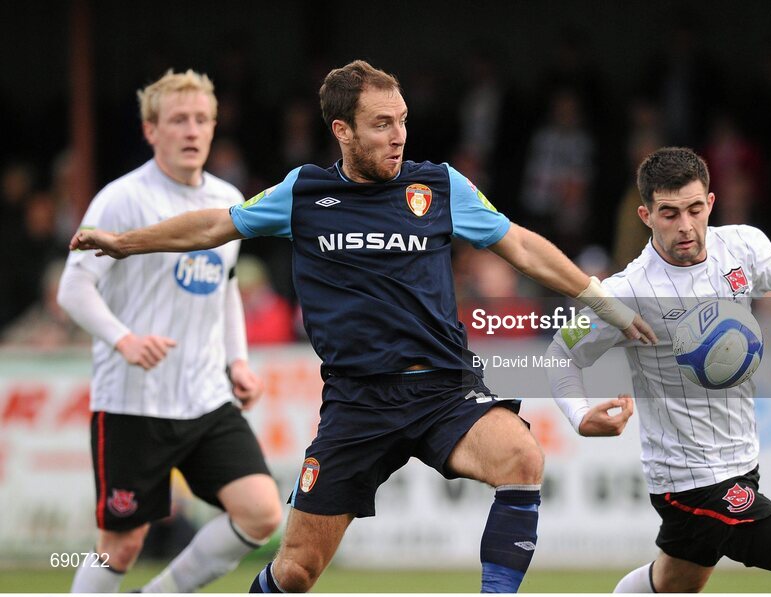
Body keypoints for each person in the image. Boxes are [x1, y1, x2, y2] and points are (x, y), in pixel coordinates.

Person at [70, 59, 657, 594]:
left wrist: (602, 301)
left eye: (402, 121)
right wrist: (125, 244)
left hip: (442, 388)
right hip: (357, 404)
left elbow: (522, 247)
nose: (398, 136)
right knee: (296, 571)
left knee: (522, 458)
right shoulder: (303, 192)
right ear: (342, 132)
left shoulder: (439, 186)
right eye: (380, 124)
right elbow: (212, 228)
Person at [545, 147, 771, 593]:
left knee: (670, 584)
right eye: (668, 214)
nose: (685, 226)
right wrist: (578, 414)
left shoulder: (741, 247)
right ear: (646, 215)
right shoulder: (626, 293)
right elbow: (559, 353)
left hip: (740, 461)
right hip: (692, 482)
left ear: (711, 202)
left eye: (694, 209)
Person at [57, 69, 282, 593]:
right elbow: (74, 287)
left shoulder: (227, 198)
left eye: (202, 119)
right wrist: (124, 340)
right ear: (150, 130)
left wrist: (238, 361)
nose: (191, 130)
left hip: (205, 398)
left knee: (261, 512)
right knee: (122, 545)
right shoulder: (122, 198)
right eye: (178, 119)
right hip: (134, 402)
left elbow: (224, 284)